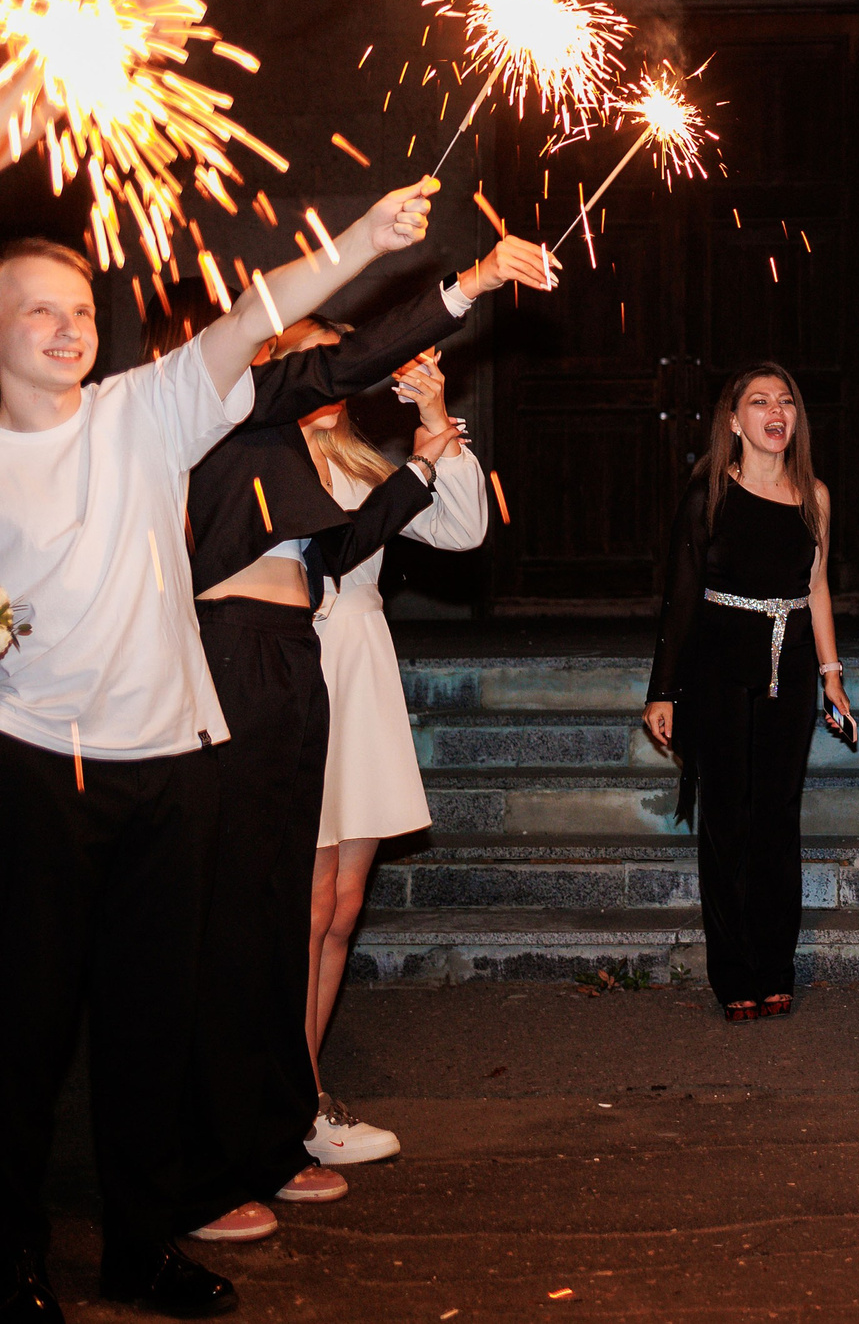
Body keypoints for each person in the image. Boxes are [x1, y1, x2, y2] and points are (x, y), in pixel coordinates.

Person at [1, 172, 436, 1322]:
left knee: (152, 1024)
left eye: (79, 307)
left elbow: (255, 315)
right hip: (38, 768)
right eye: (38, 309)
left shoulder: (140, 410)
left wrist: (363, 239)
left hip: (174, 765)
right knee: (29, 1034)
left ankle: (142, 1248)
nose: (67, 325)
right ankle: (15, 1254)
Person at [168, 231, 553, 1248]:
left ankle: (285, 1110)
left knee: (325, 912)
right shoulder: (224, 440)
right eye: (305, 361)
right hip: (256, 666)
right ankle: (235, 1131)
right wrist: (461, 285)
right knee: (265, 916)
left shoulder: (330, 463)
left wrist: (431, 437)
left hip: (328, 678)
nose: (326, 381)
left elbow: (410, 537)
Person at [299, 338, 486, 1165]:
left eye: (333, 365)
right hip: (294, 668)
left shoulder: (361, 464)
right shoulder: (251, 460)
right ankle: (281, 1096)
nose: (327, 382)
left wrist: (435, 418)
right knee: (302, 909)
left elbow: (465, 529)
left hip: (362, 673)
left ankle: (303, 1094)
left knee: (341, 907)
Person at [643, 363, 856, 1022]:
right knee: (727, 821)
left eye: (786, 400)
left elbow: (817, 587)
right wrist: (664, 690)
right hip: (718, 663)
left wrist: (832, 677)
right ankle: (733, 972)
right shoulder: (710, 490)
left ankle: (774, 968)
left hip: (789, 667)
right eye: (759, 400)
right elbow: (680, 593)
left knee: (776, 819)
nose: (776, 410)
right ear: (734, 420)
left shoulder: (813, 494)